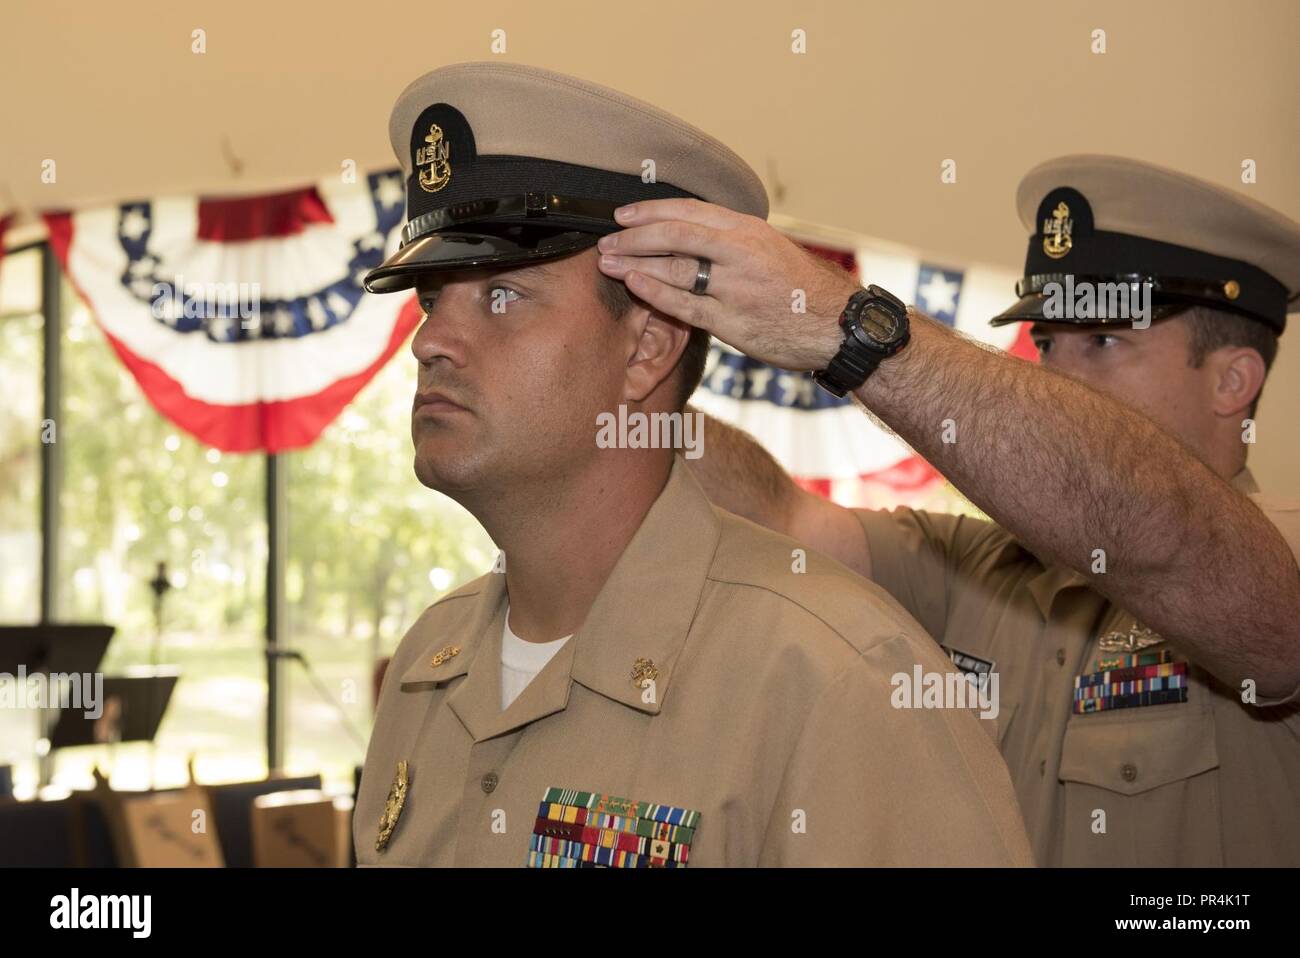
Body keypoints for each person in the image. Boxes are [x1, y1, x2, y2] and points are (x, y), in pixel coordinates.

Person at [352, 62, 1033, 867]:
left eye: (502, 296)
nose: (429, 341)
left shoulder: (834, 679)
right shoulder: (426, 668)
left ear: (646, 348)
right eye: (431, 300)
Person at [597, 154, 1300, 866]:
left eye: (1104, 342)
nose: (1059, 375)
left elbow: (1168, 535)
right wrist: (594, 392)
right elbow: (783, 517)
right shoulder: (996, 569)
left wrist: (852, 331)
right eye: (1049, 345)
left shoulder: (1275, 564)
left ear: (1233, 380)